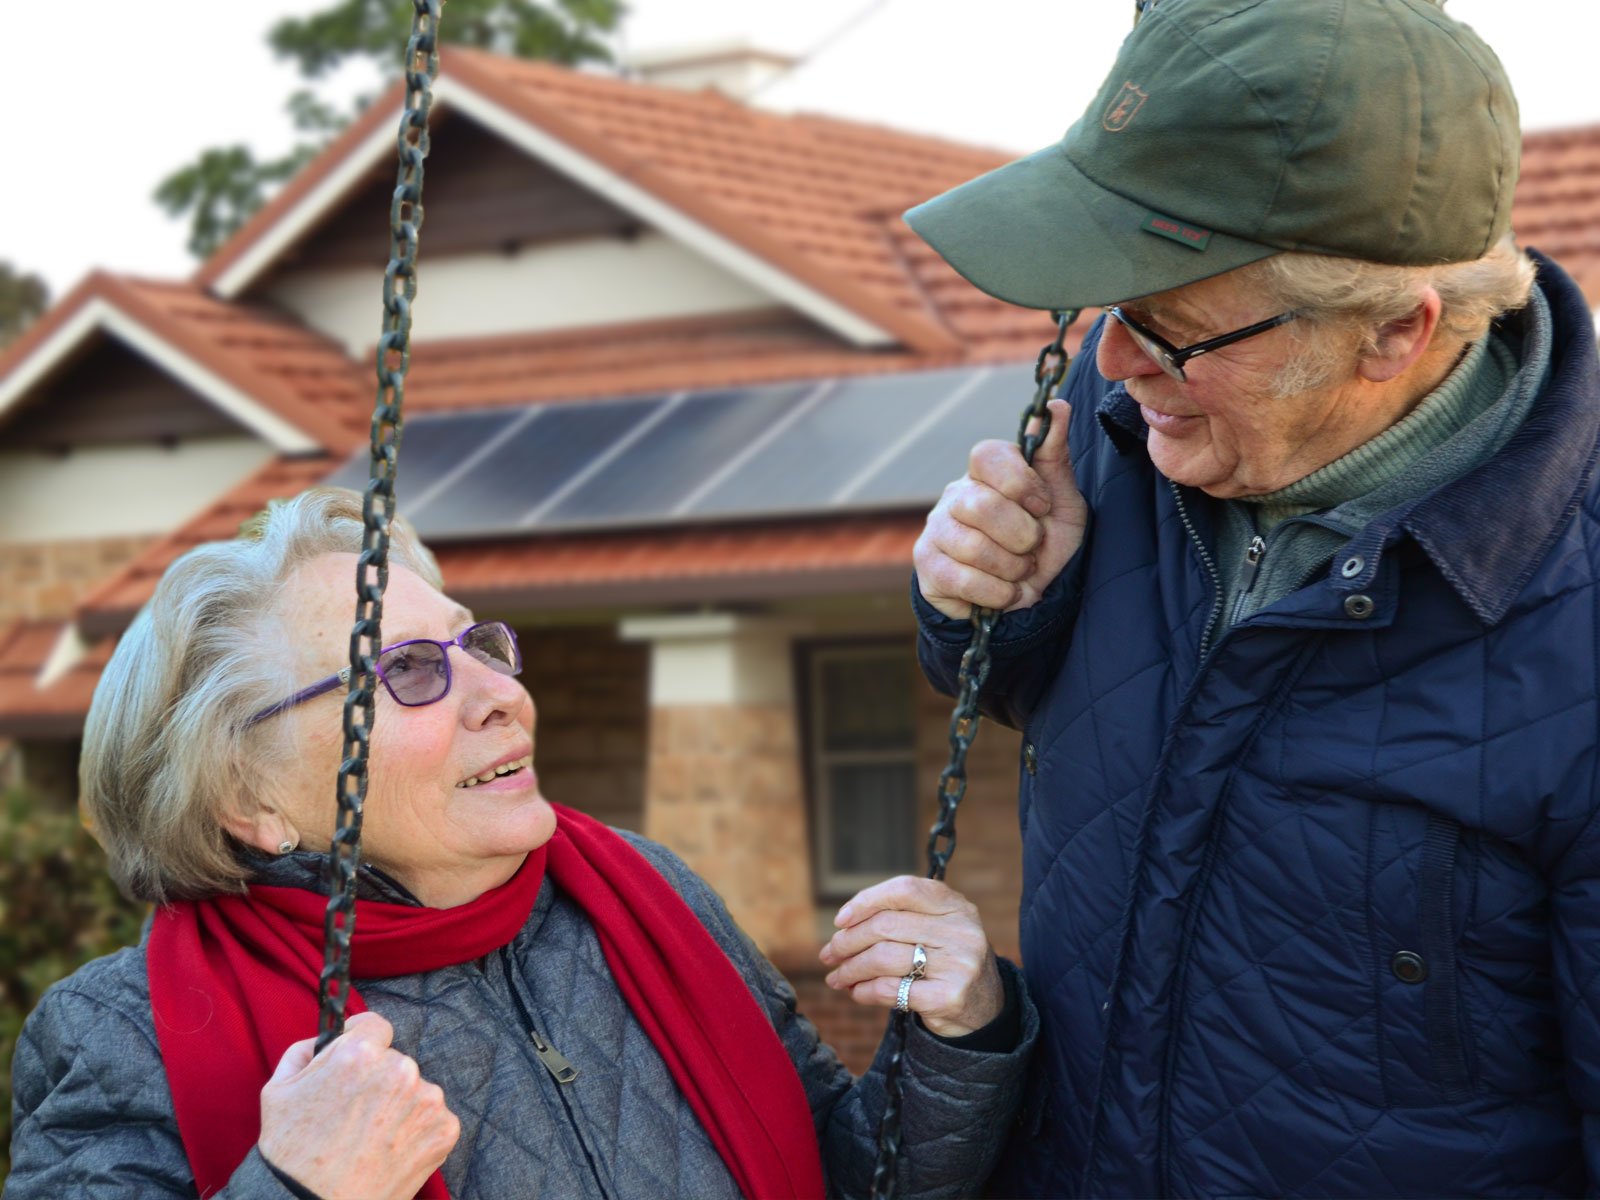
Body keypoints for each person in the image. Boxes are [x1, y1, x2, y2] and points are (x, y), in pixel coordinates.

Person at [904, 0, 1600, 1195]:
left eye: (1172, 329)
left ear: (1393, 333)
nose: (1115, 363)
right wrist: (992, 605)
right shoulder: (1136, 426)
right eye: (1110, 308)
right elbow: (1073, 717)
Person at [7, 486, 1034, 1199]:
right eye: (409, 671)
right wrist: (296, 1189)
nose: (501, 695)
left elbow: (852, 1179)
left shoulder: (646, 900)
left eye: (479, 646)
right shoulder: (121, 1032)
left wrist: (958, 1035)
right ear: (250, 797)